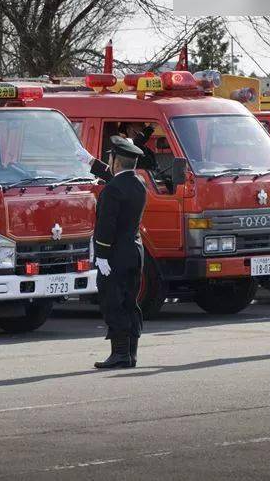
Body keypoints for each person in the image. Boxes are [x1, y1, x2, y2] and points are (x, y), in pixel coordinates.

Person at [93, 136, 147, 368]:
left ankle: (120, 354)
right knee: (130, 302)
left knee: (113, 302)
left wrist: (101, 255)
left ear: (116, 162)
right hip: (135, 251)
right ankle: (131, 354)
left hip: (115, 254)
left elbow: (106, 226)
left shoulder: (112, 191)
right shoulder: (138, 184)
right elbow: (118, 182)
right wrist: (92, 163)